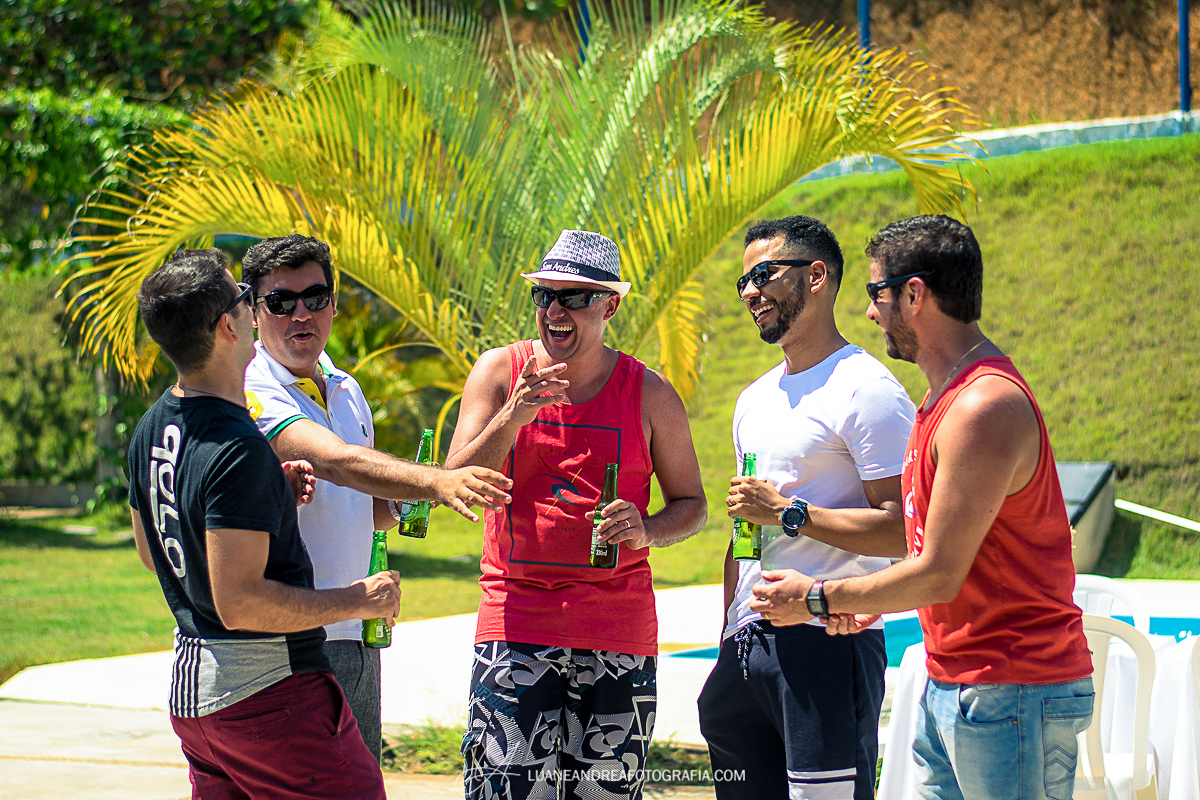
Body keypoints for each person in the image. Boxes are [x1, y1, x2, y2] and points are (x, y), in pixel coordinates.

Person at [753, 215, 1094, 800]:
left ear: (915, 294)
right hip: (959, 680)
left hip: (1012, 686)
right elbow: (924, 548)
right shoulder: (942, 401)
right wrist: (868, 604)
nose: (868, 313)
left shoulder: (983, 406)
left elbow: (938, 571)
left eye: (875, 293)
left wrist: (818, 597)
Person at [127, 248, 400, 798]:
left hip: (195, 695)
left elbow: (152, 548)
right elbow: (241, 602)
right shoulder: (237, 448)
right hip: (268, 693)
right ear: (230, 324)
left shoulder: (152, 427)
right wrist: (357, 600)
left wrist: (264, 504)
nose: (256, 308)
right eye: (247, 298)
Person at [445, 229, 708, 800]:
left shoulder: (649, 392)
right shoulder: (499, 372)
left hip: (618, 635)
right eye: (545, 296)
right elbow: (454, 483)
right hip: (513, 628)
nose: (555, 310)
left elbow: (693, 505)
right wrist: (513, 417)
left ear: (611, 305)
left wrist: (647, 529)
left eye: (576, 297)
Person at [240, 233, 513, 760]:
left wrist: (424, 492)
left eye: (315, 297)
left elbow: (367, 510)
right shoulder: (253, 390)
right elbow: (336, 461)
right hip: (287, 642)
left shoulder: (345, 387)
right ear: (253, 312)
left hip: (358, 632)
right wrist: (435, 481)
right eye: (281, 302)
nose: (301, 314)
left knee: (360, 785)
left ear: (334, 306)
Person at [695, 216, 916, 800]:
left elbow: (905, 532)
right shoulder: (753, 399)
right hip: (745, 649)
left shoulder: (867, 389)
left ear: (817, 276)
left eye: (763, 275)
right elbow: (746, 531)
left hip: (825, 638)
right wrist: (727, 634)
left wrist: (790, 512)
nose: (749, 293)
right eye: (742, 282)